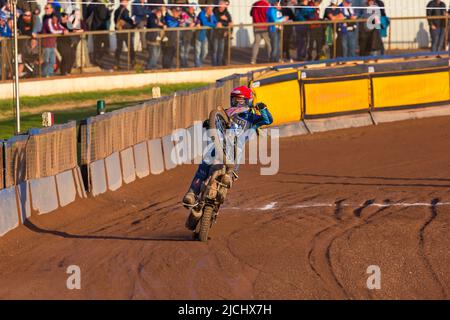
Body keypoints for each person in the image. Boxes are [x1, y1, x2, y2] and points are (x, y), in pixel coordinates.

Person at [182, 86, 273, 230]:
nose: (238, 103)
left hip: (236, 151)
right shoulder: (225, 113)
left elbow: (268, 120)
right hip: (219, 148)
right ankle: (192, 194)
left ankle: (228, 177)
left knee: (230, 169)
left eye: (241, 100)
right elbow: (214, 121)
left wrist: (263, 109)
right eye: (235, 100)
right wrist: (208, 123)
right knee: (204, 165)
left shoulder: (251, 117)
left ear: (248, 101)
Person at [41, 4, 67, 77]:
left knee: (52, 61)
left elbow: (62, 28)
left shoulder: (56, 23)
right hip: (46, 44)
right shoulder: (48, 20)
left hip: (52, 45)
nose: (55, 18)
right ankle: (44, 74)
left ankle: (50, 73)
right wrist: (62, 32)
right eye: (54, 16)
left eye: (57, 17)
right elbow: (52, 31)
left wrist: (64, 30)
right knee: (46, 61)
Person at [86, 0, 112, 68]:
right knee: (105, 45)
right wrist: (109, 12)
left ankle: (95, 60)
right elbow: (103, 16)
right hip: (101, 28)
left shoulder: (91, 5)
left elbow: (87, 14)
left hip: (94, 28)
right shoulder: (102, 5)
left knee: (96, 45)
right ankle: (98, 60)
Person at [114, 0, 136, 70]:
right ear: (122, 2)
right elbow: (127, 21)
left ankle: (116, 64)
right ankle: (133, 63)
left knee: (119, 48)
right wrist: (133, 23)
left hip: (119, 32)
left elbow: (115, 21)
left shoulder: (117, 10)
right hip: (125, 32)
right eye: (125, 1)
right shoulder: (124, 11)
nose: (126, 3)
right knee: (130, 48)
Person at [213, 0, 232, 66]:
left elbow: (230, 22)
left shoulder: (226, 12)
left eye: (223, 7)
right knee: (215, 51)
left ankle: (219, 64)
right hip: (215, 34)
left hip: (223, 34)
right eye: (220, 7)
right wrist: (222, 21)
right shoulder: (215, 11)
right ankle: (215, 65)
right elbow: (215, 21)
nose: (221, 8)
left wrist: (225, 20)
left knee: (221, 50)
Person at [180, 3, 198, 68]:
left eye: (192, 8)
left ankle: (185, 62)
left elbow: (196, 21)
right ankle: (182, 63)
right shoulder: (184, 14)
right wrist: (189, 25)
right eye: (190, 8)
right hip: (183, 34)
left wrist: (196, 24)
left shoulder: (194, 15)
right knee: (183, 49)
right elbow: (182, 22)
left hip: (190, 34)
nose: (191, 9)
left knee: (187, 49)